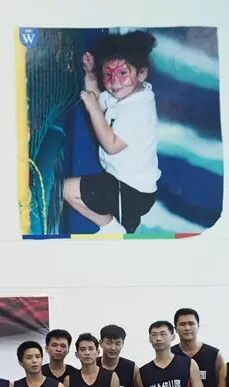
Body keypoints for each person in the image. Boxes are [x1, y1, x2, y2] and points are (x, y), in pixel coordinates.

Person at [63, 30, 160, 234]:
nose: (114, 82)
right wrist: (91, 75)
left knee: (67, 190)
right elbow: (99, 100)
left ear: (142, 73)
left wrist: (93, 109)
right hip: (126, 184)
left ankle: (111, 228)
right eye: (108, 74)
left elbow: (111, 145)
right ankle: (126, 224)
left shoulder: (138, 108)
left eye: (123, 73)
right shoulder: (125, 94)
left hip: (132, 191)